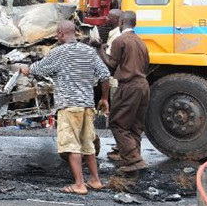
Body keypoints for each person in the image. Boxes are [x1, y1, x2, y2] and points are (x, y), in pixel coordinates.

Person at [19, 21, 110, 195]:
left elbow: (38, 69)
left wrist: (24, 69)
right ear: (74, 32)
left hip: (69, 106)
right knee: (87, 144)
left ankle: (79, 185)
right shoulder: (89, 51)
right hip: (87, 106)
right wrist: (104, 99)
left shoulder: (59, 52)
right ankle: (95, 180)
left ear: (60, 33)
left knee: (71, 146)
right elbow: (105, 75)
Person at [98, 11, 150, 172]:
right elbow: (146, 64)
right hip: (143, 85)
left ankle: (133, 160)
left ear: (121, 22)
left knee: (118, 123)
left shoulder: (120, 41)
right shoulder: (141, 42)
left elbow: (110, 66)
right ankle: (133, 157)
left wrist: (100, 49)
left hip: (128, 86)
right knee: (135, 125)